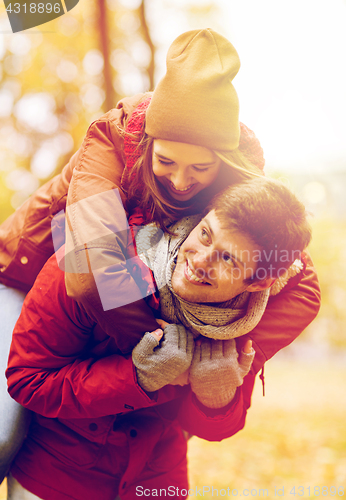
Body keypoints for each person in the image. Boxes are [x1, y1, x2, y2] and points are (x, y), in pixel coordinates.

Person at [0, 28, 320, 482]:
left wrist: (219, 367)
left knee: (156, 419)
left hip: (127, 285)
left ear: (223, 165)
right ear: (147, 144)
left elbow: (298, 278)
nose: (181, 181)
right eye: (165, 162)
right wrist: (165, 354)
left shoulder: (237, 190)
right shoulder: (111, 140)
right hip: (31, 270)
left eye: (200, 169)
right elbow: (92, 268)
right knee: (1, 428)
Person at [6, 177, 313, 500]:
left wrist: (216, 397)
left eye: (227, 260)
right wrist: (136, 378)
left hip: (156, 481)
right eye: (206, 234)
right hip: (58, 473)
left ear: (258, 283)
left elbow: (216, 428)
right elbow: (28, 380)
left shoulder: (241, 318)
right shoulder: (94, 263)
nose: (200, 260)